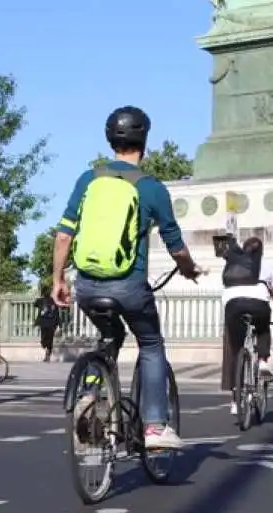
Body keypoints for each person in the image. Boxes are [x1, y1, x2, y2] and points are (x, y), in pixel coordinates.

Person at [50, 105, 201, 450]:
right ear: (144, 141)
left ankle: (90, 393)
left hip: (87, 286)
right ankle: (153, 427)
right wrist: (189, 269)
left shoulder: (89, 179)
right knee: (150, 344)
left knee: (109, 336)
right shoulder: (151, 188)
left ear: (109, 140)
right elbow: (175, 245)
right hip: (129, 286)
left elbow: (63, 235)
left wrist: (58, 280)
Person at [220, 236, 273, 415]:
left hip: (232, 305)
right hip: (258, 305)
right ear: (261, 251)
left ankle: (235, 400)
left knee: (236, 348)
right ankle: (263, 361)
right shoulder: (269, 268)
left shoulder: (235, 264)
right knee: (263, 327)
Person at [33, 290, 60, 362]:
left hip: (47, 323)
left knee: (47, 339)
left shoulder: (44, 301)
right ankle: (47, 352)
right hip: (48, 323)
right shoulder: (48, 301)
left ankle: (47, 352)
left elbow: (34, 304)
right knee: (47, 339)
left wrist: (58, 324)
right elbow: (57, 313)